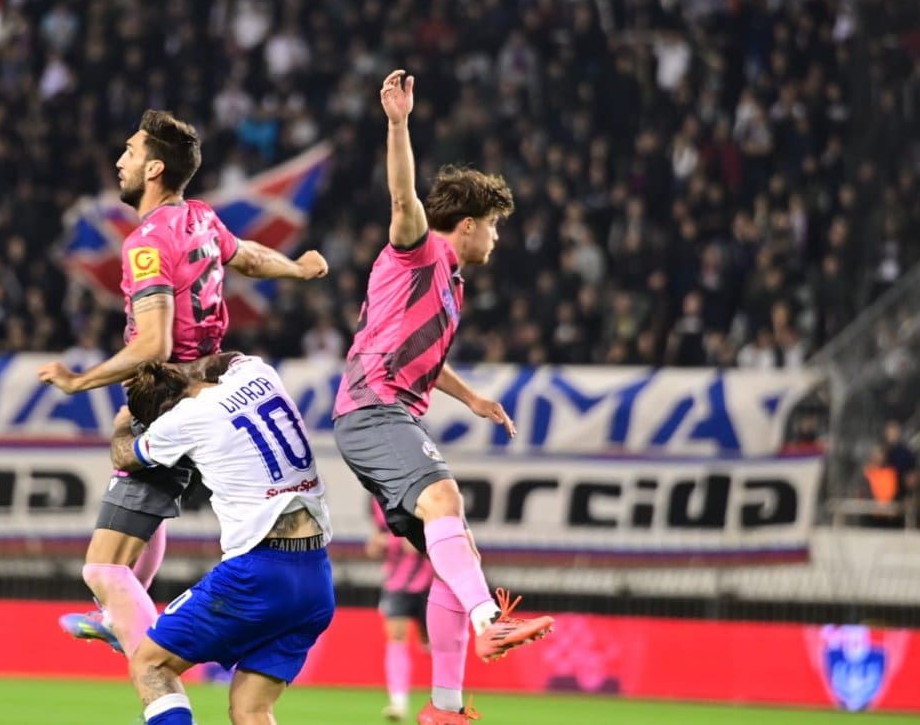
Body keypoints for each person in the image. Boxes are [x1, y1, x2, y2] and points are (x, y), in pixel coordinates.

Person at [37, 109, 328, 657]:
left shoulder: (146, 244)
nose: (120, 160)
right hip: (205, 390)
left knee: (103, 566)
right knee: (142, 492)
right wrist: (295, 268)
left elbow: (154, 343)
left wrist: (79, 382)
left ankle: (149, 661)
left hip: (170, 398)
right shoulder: (200, 218)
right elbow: (248, 258)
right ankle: (122, 613)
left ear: (154, 169)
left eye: (130, 152)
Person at [333, 70, 554, 725]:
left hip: (389, 412)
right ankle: (490, 621)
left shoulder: (450, 283)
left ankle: (445, 708)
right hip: (372, 410)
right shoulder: (420, 249)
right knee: (445, 500)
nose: (496, 239)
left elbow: (421, 354)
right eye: (494, 227)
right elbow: (403, 196)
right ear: (468, 224)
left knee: (457, 559)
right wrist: (398, 124)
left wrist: (472, 397)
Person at [112, 353, 335, 725]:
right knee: (251, 709)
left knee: (150, 664)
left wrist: (122, 425)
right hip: (315, 578)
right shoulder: (256, 373)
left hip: (258, 573)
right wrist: (184, 369)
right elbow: (228, 358)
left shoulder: (182, 419)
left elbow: (124, 458)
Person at [368, 498, 433, 722]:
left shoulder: (426, 494)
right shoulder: (378, 501)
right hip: (397, 583)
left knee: (433, 644)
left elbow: (419, 544)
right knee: (396, 637)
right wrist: (378, 545)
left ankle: (446, 697)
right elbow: (378, 539)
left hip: (432, 584)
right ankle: (398, 703)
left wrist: (406, 541)